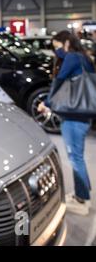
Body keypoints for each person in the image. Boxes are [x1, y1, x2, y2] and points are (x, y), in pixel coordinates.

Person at [38, 30, 95, 216]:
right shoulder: (84, 57)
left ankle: (82, 200)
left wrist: (45, 102)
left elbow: (59, 81)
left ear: (66, 43)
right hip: (84, 115)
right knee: (77, 156)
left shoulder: (72, 57)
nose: (57, 52)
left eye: (57, 47)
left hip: (74, 117)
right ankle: (82, 194)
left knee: (75, 157)